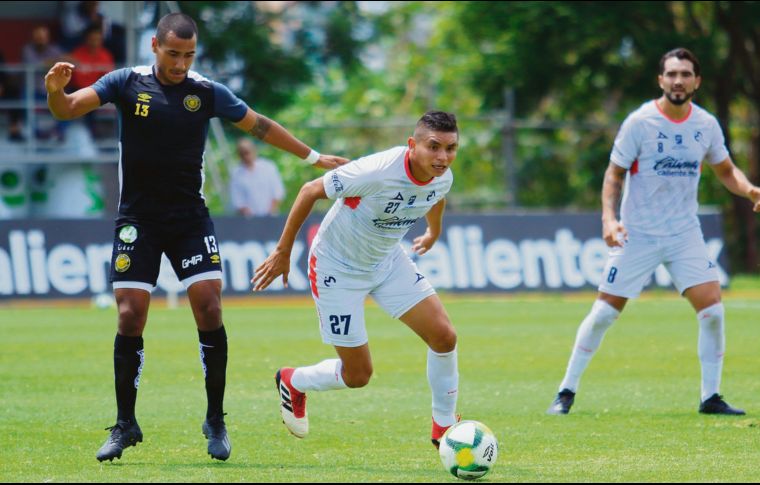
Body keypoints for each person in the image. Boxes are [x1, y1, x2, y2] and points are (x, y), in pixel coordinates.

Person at [45, 13, 347, 463]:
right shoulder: (125, 82)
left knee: (209, 305)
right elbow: (68, 109)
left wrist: (313, 156)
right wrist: (55, 91)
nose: (180, 64)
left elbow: (258, 124)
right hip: (138, 220)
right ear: (154, 45)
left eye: (188, 55)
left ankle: (215, 420)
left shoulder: (205, 91)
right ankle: (125, 425)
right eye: (173, 54)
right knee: (129, 315)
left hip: (189, 219)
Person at [546, 48, 760, 417]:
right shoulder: (640, 122)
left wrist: (749, 189)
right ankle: (565, 392)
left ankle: (710, 397)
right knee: (603, 313)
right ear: (660, 80)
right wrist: (608, 219)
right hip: (638, 235)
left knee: (713, 311)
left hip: (684, 234)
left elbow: (726, 170)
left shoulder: (706, 125)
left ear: (696, 81)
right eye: (671, 74)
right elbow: (614, 174)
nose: (678, 80)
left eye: (685, 74)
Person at [251, 111, 461, 448]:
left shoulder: (442, 176)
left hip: (387, 262)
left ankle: (445, 427)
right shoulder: (376, 171)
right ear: (412, 145)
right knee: (358, 376)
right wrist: (282, 252)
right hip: (337, 269)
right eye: (434, 147)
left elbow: (437, 196)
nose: (443, 157)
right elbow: (309, 191)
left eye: (451, 148)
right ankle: (294, 380)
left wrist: (433, 232)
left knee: (444, 336)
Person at [229, 138, 286, 216]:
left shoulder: (269, 167)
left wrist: (269, 212)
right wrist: (250, 216)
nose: (245, 156)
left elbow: (278, 192)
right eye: (242, 154)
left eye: (247, 153)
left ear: (254, 150)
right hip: (249, 221)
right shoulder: (236, 174)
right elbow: (237, 200)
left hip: (271, 218)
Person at [69, 24, 115, 91]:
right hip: (77, 91)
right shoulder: (77, 54)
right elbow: (76, 81)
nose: (94, 43)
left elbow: (108, 81)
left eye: (97, 39)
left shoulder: (106, 56)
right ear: (86, 39)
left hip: (99, 93)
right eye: (92, 39)